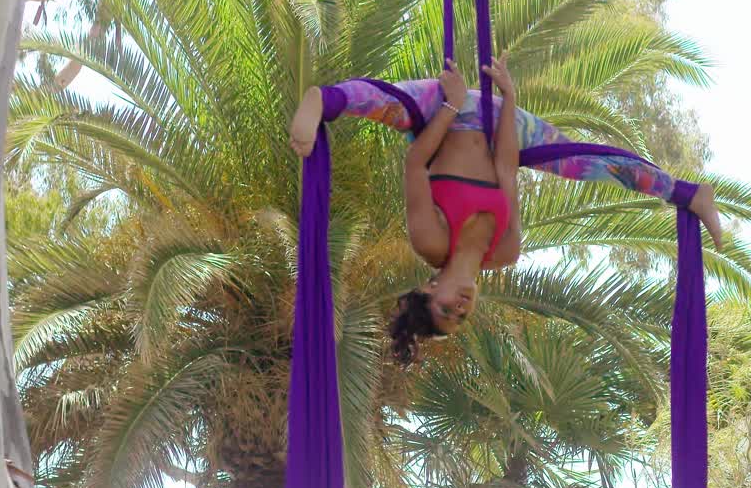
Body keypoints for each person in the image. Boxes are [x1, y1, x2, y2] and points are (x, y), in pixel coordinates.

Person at [289, 55, 723, 364]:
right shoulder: (505, 252)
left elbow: (416, 162)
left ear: (428, 289)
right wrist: (510, 98)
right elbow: (508, 171)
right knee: (588, 163)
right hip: (501, 121)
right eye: (462, 317)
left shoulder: (431, 241)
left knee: (385, 102)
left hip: (441, 107)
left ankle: (323, 101)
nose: (460, 308)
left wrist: (452, 104)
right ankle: (688, 194)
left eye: (446, 310)